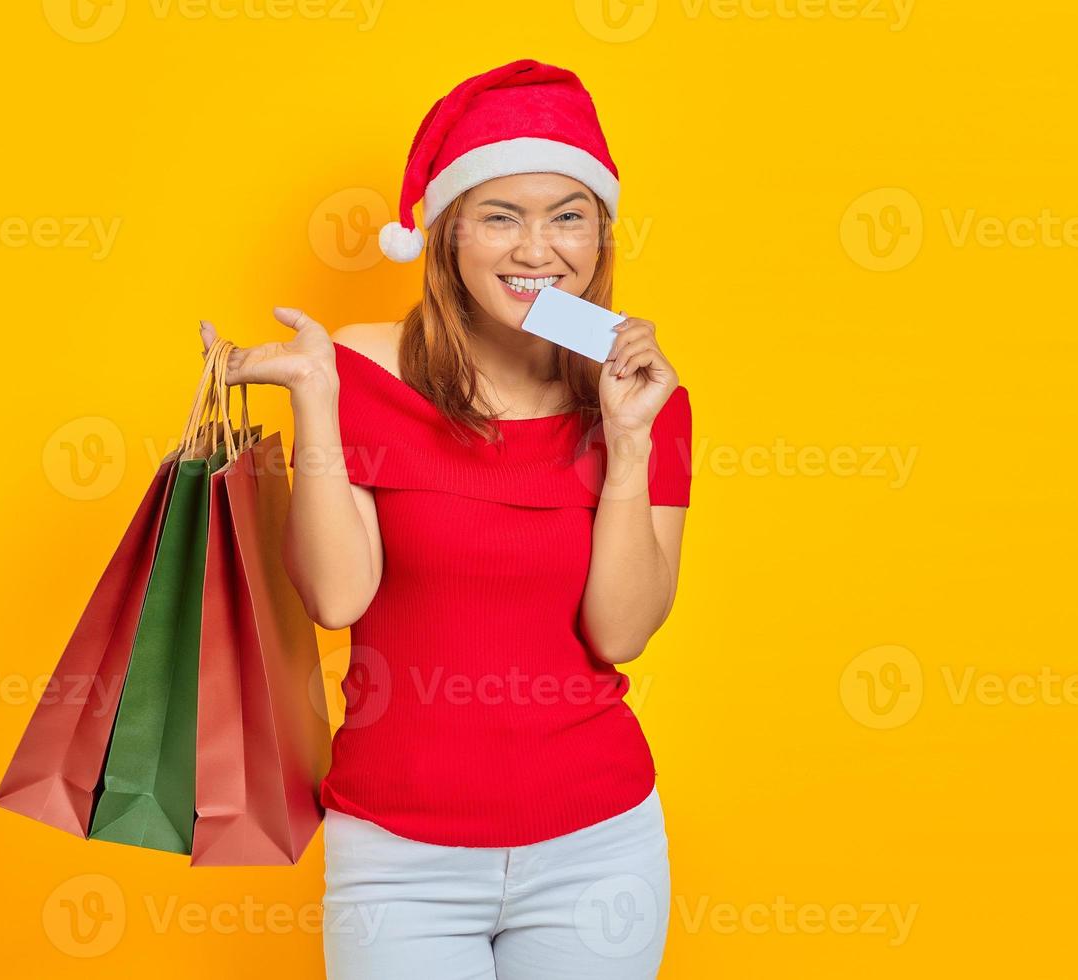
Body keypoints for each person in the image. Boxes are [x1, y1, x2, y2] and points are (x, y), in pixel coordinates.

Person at [198, 58, 691, 980]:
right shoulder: (361, 371)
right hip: (399, 855)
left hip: (598, 850)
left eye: (567, 215)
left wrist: (628, 442)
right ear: (447, 235)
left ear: (601, 235)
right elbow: (338, 600)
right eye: (501, 216)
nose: (537, 251)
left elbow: (620, 633)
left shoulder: (644, 395)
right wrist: (313, 398)